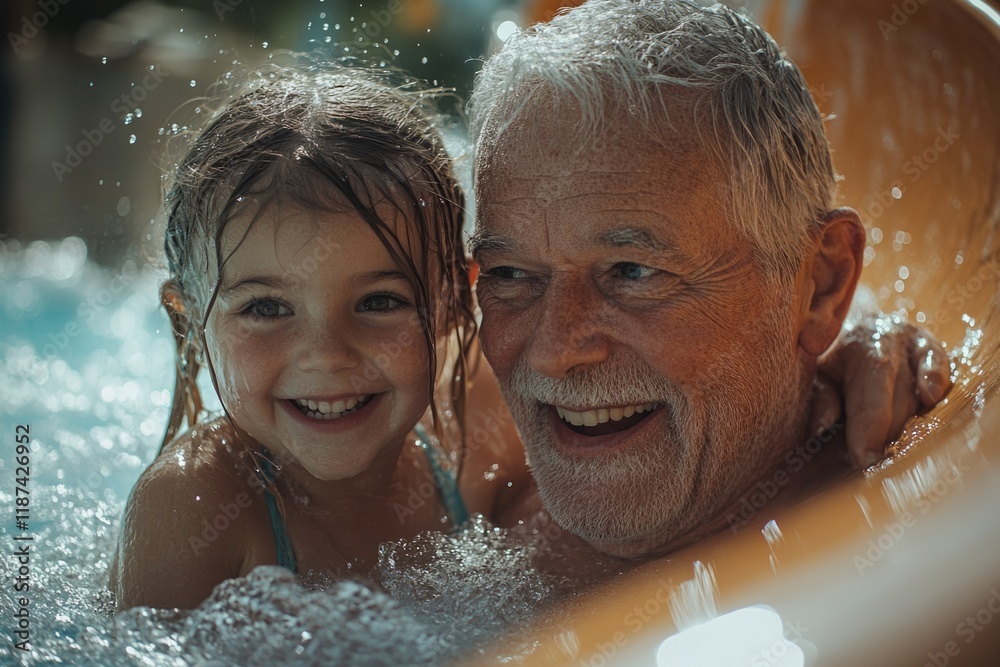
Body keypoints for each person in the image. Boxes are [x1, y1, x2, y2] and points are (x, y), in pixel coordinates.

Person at [469, 0, 952, 559]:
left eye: (632, 271)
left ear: (822, 284)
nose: (552, 352)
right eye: (511, 274)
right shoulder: (447, 462)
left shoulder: (895, 551)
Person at [109, 63, 527, 610]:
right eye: (266, 308)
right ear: (191, 323)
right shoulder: (192, 509)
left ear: (452, 302)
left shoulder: (470, 452)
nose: (328, 356)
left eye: (379, 302)